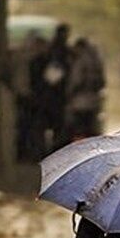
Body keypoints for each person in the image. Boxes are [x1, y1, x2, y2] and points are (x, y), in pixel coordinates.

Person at [34, 25, 71, 153]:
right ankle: (53, 149)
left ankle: (49, 149)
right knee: (55, 124)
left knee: (49, 124)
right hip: (55, 95)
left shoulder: (53, 50)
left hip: (50, 95)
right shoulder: (60, 51)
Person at [65, 38, 105, 140]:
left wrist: (68, 94)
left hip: (80, 102)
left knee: (79, 129)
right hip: (94, 101)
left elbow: (76, 80)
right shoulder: (96, 61)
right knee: (90, 128)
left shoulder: (80, 62)